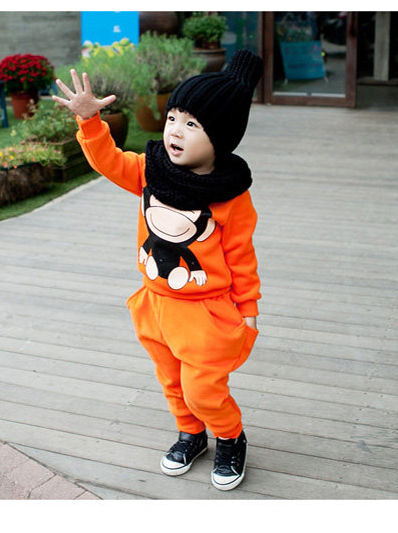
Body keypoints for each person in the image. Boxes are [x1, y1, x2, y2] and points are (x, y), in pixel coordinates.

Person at [53, 50, 263, 491]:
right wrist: (90, 121)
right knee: (172, 381)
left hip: (206, 311)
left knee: (203, 388)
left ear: (220, 137)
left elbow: (242, 257)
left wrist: (248, 310)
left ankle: (229, 436)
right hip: (156, 305)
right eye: (172, 118)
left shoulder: (230, 196)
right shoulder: (151, 171)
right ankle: (190, 434)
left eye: (192, 124)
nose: (175, 131)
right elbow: (109, 161)